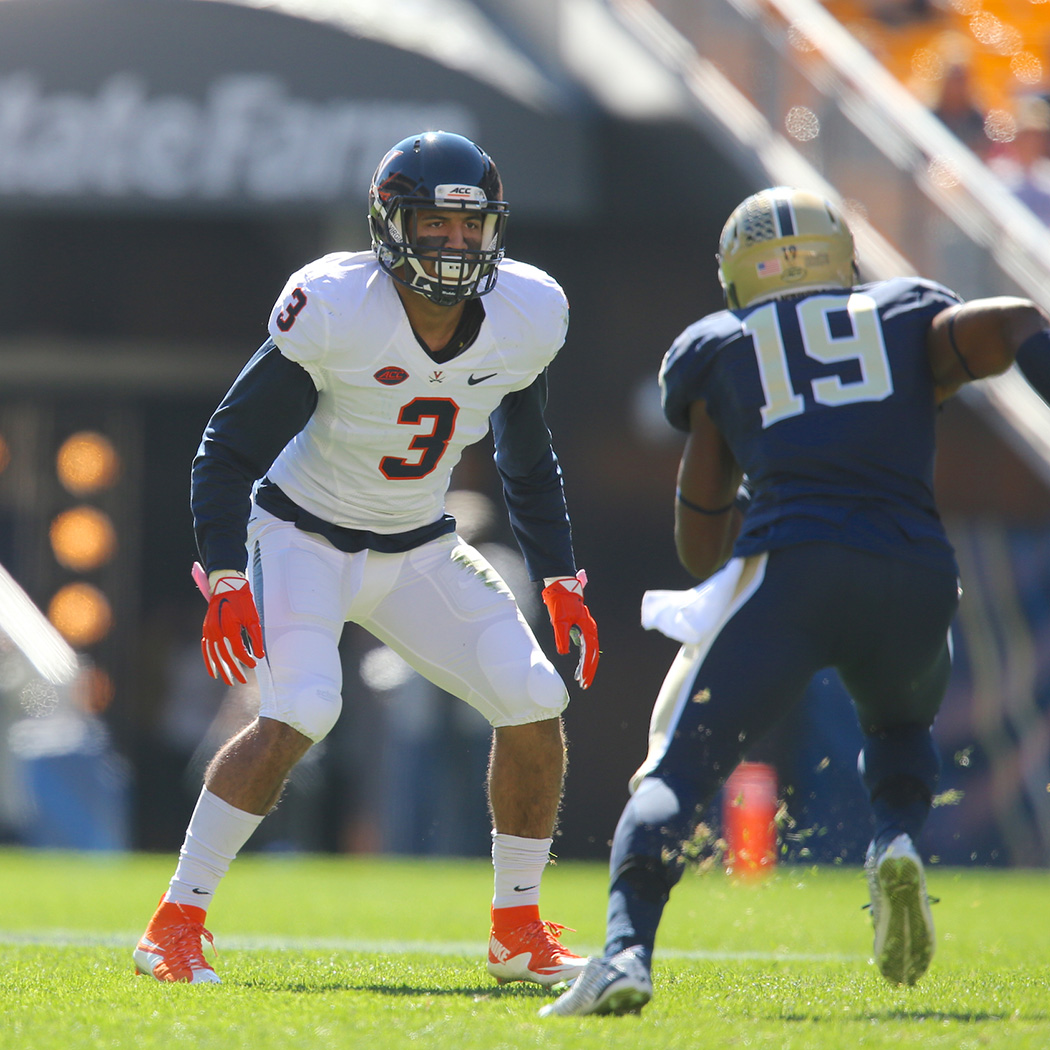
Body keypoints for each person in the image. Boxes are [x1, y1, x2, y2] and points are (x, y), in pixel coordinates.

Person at [541, 186, 1050, 1016]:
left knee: (676, 767)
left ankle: (627, 952)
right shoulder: (907, 314)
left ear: (738, 275)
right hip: (919, 571)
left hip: (795, 566)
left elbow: (701, 530)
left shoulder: (724, 345)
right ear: (840, 254)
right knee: (900, 726)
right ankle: (896, 841)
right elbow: (1016, 321)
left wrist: (723, 558)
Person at [133, 130, 599, 986]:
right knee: (304, 707)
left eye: (472, 226)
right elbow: (225, 450)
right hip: (301, 534)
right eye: (435, 224)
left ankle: (516, 930)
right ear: (392, 226)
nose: (456, 244)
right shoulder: (339, 304)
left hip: (417, 542)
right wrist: (226, 573)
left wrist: (563, 576)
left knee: (534, 698)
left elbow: (527, 461)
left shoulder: (527, 314)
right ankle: (175, 922)